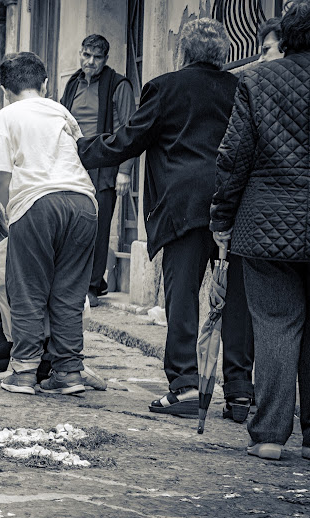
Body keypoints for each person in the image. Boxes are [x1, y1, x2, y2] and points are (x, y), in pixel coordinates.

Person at [77, 19, 255, 420]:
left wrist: (77, 150)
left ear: (184, 52)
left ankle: (185, 384)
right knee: (238, 302)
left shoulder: (165, 86)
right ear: (222, 54)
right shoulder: (240, 87)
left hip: (183, 203)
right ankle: (240, 392)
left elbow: (129, 139)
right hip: (234, 203)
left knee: (182, 298)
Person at [210, 0, 310, 461]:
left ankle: (271, 434)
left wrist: (221, 219)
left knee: (275, 326)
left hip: (266, 223)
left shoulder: (256, 79)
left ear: (287, 35)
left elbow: (233, 157)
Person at [0, 52, 98, 396]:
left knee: (28, 288)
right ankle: (68, 372)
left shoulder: (4, 118)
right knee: (70, 292)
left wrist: (12, 216)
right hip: (83, 202)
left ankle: (24, 371)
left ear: (5, 89)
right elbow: (77, 150)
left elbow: (1, 179)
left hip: (36, 202)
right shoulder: (61, 111)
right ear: (45, 84)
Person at [0, 198, 106, 391]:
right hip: (23, 318)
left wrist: (16, 366)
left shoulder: (13, 256)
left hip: (53, 321)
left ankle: (62, 366)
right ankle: (52, 360)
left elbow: (25, 311)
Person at [60, 35, 136, 307]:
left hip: (104, 166)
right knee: (72, 226)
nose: (90, 62)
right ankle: (78, 282)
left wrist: (124, 170)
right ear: (80, 54)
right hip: (73, 164)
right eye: (86, 55)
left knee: (99, 226)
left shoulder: (119, 85)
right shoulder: (72, 83)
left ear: (105, 60)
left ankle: (92, 286)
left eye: (97, 57)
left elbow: (130, 130)